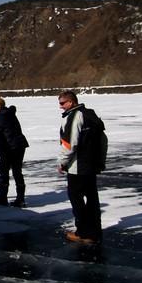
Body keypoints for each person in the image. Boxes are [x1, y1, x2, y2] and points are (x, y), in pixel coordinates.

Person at [57, 90, 103, 244]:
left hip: (78, 166)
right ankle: (95, 231)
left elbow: (69, 144)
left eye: (62, 103)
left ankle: (84, 233)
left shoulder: (74, 117)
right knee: (92, 198)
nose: (61, 107)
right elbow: (102, 139)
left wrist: (62, 162)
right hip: (91, 164)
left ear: (71, 102)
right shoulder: (89, 114)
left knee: (76, 198)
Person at [0, 97, 29, 207]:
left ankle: (3, 198)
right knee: (17, 172)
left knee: (4, 172)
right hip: (19, 145)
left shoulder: (1, 115)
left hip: (9, 147)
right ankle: (20, 199)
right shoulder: (9, 113)